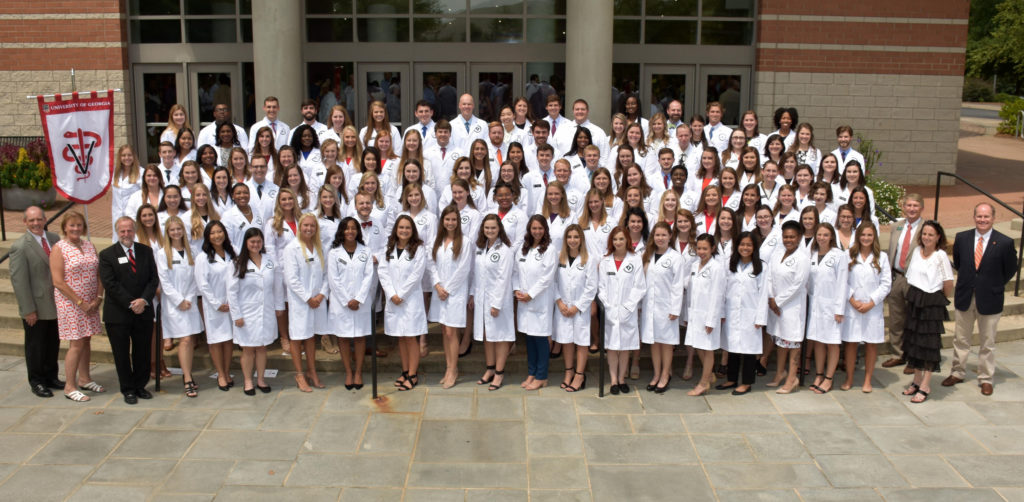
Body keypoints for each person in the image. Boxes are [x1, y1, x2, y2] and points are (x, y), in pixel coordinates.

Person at [943, 203, 1017, 396]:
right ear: (974, 217)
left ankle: (986, 378)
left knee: (987, 342)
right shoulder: (962, 238)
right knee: (961, 339)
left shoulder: (1004, 242)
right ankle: (957, 372)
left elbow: (1009, 269)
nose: (982, 220)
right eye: (979, 216)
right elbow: (959, 263)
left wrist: (992, 284)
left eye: (986, 217)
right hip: (965, 296)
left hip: (990, 298)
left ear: (993, 218)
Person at [99, 216, 160, 404]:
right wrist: (132, 303)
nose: (126, 234)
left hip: (143, 311)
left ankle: (140, 386)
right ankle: (128, 389)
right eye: (122, 231)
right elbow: (110, 284)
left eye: (129, 230)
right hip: (118, 314)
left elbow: (153, 279)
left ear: (135, 231)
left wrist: (143, 300)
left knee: (142, 351)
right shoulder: (107, 255)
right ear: (117, 232)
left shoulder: (145, 251)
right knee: (121, 353)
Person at [11, 207, 63, 398]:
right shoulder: (20, 247)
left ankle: (51, 376)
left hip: (56, 303)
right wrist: (28, 310)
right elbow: (19, 281)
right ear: (25, 222)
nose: (36, 224)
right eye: (31, 220)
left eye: (39, 220)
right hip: (36, 306)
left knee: (52, 343)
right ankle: (37, 381)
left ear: (45, 219)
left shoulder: (55, 238)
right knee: (36, 345)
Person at [901, 220, 954, 403]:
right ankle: (916, 380)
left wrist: (938, 299)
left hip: (931, 302)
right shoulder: (916, 251)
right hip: (915, 299)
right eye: (924, 234)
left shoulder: (941, 256)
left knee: (929, 344)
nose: (927, 237)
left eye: (931, 234)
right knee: (914, 342)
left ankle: (925, 384)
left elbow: (948, 283)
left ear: (938, 236)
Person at [378, 215, 429, 391]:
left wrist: (402, 294)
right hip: (394, 300)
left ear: (412, 230)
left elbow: (417, 274)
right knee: (400, 336)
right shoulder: (389, 247)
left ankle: (413, 374)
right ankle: (405, 371)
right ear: (396, 230)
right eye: (401, 228)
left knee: (410, 337)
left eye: (407, 228)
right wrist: (392, 294)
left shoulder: (419, 248)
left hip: (410, 299)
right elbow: (383, 271)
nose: (404, 231)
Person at [155, 216, 204, 398]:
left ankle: (188, 372)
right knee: (184, 340)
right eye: (172, 230)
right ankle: (187, 378)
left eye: (179, 229)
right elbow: (164, 282)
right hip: (174, 305)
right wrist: (179, 300)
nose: (176, 232)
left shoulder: (192, 251)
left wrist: (189, 298)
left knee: (190, 340)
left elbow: (195, 278)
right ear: (167, 233)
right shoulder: (162, 254)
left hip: (189, 302)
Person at [841, 222, 892, 393]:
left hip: (872, 308)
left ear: (874, 237)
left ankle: (867, 380)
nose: (866, 238)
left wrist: (871, 302)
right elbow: (842, 281)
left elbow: (886, 284)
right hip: (852, 307)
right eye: (863, 235)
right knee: (851, 343)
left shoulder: (882, 257)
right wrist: (853, 300)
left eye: (870, 235)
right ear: (858, 236)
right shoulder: (848, 255)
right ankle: (849, 378)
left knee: (871, 344)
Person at [227, 228, 277, 395]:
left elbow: (276, 286)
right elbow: (231, 292)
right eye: (252, 242)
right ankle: (248, 381)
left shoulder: (269, 260)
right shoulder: (237, 263)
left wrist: (278, 308)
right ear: (246, 243)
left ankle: (261, 379)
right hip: (246, 313)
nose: (256, 245)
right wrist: (237, 315)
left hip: (266, 311)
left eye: (258, 241)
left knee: (262, 348)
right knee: (248, 349)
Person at [283, 213, 329, 392]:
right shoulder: (291, 248)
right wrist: (308, 298)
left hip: (317, 301)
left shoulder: (320, 247)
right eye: (305, 225)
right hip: (301, 302)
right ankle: (299, 374)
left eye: (312, 226)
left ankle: (312, 371)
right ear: (300, 227)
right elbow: (291, 279)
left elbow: (326, 275)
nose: (309, 229)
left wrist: (321, 295)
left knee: (311, 336)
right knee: (297, 337)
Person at [430, 205, 474, 388]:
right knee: (443, 330)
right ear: (443, 221)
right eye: (447, 219)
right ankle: (448, 367)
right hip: (439, 291)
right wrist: (438, 286)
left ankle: (453, 369)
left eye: (453, 219)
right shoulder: (437, 240)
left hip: (454, 293)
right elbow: (431, 264)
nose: (450, 222)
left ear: (458, 221)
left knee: (451, 331)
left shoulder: (465, 241)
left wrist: (447, 289)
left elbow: (464, 269)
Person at [328, 217, 375, 390]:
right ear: (341, 231)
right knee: (344, 338)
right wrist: (347, 300)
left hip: (360, 302)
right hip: (342, 303)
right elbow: (333, 280)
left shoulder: (366, 251)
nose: (350, 231)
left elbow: (369, 276)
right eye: (346, 228)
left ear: (358, 231)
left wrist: (358, 299)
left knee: (360, 337)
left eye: (353, 228)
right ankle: (348, 371)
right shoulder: (334, 253)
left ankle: (358, 372)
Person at [719, 231, 768, 395]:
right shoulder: (729, 264)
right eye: (742, 244)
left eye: (748, 245)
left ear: (754, 247)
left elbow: (763, 294)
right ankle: (731, 379)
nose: (745, 248)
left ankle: (747, 382)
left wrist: (760, 317)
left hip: (751, 313)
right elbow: (723, 289)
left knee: (749, 349)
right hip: (731, 311)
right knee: (732, 347)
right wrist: (721, 312)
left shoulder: (761, 266)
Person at [599, 226, 647, 395]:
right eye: (615, 239)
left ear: (627, 240)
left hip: (628, 310)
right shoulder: (605, 261)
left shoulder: (635, 259)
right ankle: (613, 380)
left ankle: (621, 379)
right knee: (612, 346)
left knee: (625, 346)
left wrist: (628, 306)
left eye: (621, 239)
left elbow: (639, 286)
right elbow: (601, 288)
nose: (618, 242)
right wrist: (608, 306)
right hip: (611, 310)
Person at [472, 214, 516, 391]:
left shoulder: (504, 250)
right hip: (482, 299)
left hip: (498, 301)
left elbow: (503, 279)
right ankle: (490, 369)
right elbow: (476, 274)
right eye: (487, 228)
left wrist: (496, 304)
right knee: (487, 335)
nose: (490, 231)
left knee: (500, 337)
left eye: (493, 228)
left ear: (499, 229)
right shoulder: (480, 248)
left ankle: (499, 372)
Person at [766, 220, 810, 394]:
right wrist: (771, 298)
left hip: (792, 307)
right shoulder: (777, 253)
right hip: (776, 305)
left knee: (792, 343)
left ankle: (792, 378)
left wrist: (778, 301)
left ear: (799, 237)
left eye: (792, 237)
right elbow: (769, 276)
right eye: (785, 237)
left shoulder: (802, 258)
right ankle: (780, 373)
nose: (788, 240)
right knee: (781, 341)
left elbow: (799, 284)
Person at [515, 215, 558, 391]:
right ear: (529, 230)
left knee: (540, 339)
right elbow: (515, 272)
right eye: (534, 228)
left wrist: (530, 294)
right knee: (529, 338)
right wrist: (517, 290)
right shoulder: (523, 249)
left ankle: (541, 376)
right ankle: (531, 373)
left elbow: (547, 278)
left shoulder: (549, 250)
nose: (537, 231)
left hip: (539, 300)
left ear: (545, 230)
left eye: (540, 228)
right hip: (524, 300)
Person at [640, 222, 685, 393]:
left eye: (663, 235)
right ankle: (656, 374)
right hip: (649, 306)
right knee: (653, 342)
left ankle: (666, 374)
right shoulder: (648, 255)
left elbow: (677, 285)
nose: (660, 238)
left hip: (667, 308)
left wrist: (675, 309)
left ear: (670, 236)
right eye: (657, 235)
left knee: (666, 343)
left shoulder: (675, 258)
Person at [883, 194, 924, 373]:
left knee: (914, 319)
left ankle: (914, 357)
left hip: (916, 279)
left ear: (921, 207)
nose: (912, 209)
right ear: (903, 208)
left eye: (915, 205)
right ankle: (897, 353)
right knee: (896, 318)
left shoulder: (927, 227)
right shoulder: (896, 226)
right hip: (897, 277)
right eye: (908, 205)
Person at [806, 223, 849, 394]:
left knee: (832, 342)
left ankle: (829, 378)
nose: (821, 238)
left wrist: (839, 309)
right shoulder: (813, 254)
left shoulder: (839, 255)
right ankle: (819, 374)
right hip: (815, 305)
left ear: (832, 236)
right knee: (818, 340)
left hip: (832, 306)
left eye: (825, 235)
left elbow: (842, 283)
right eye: (819, 234)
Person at [554, 224, 597, 392]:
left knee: (581, 342)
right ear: (565, 239)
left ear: (581, 239)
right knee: (566, 341)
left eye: (576, 237)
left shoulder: (589, 259)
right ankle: (568, 372)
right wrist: (560, 303)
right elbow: (553, 282)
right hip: (563, 308)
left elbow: (591, 287)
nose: (573, 240)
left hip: (580, 310)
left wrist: (577, 307)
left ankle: (579, 375)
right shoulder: (559, 257)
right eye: (569, 237)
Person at [195, 220, 237, 391]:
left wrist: (232, 301)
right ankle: (220, 374)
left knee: (228, 340)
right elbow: (202, 284)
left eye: (219, 231)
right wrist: (217, 304)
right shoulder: (202, 257)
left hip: (231, 304)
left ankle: (227, 372)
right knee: (215, 341)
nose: (217, 235)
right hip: (214, 306)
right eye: (212, 233)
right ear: (207, 236)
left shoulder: (232, 252)